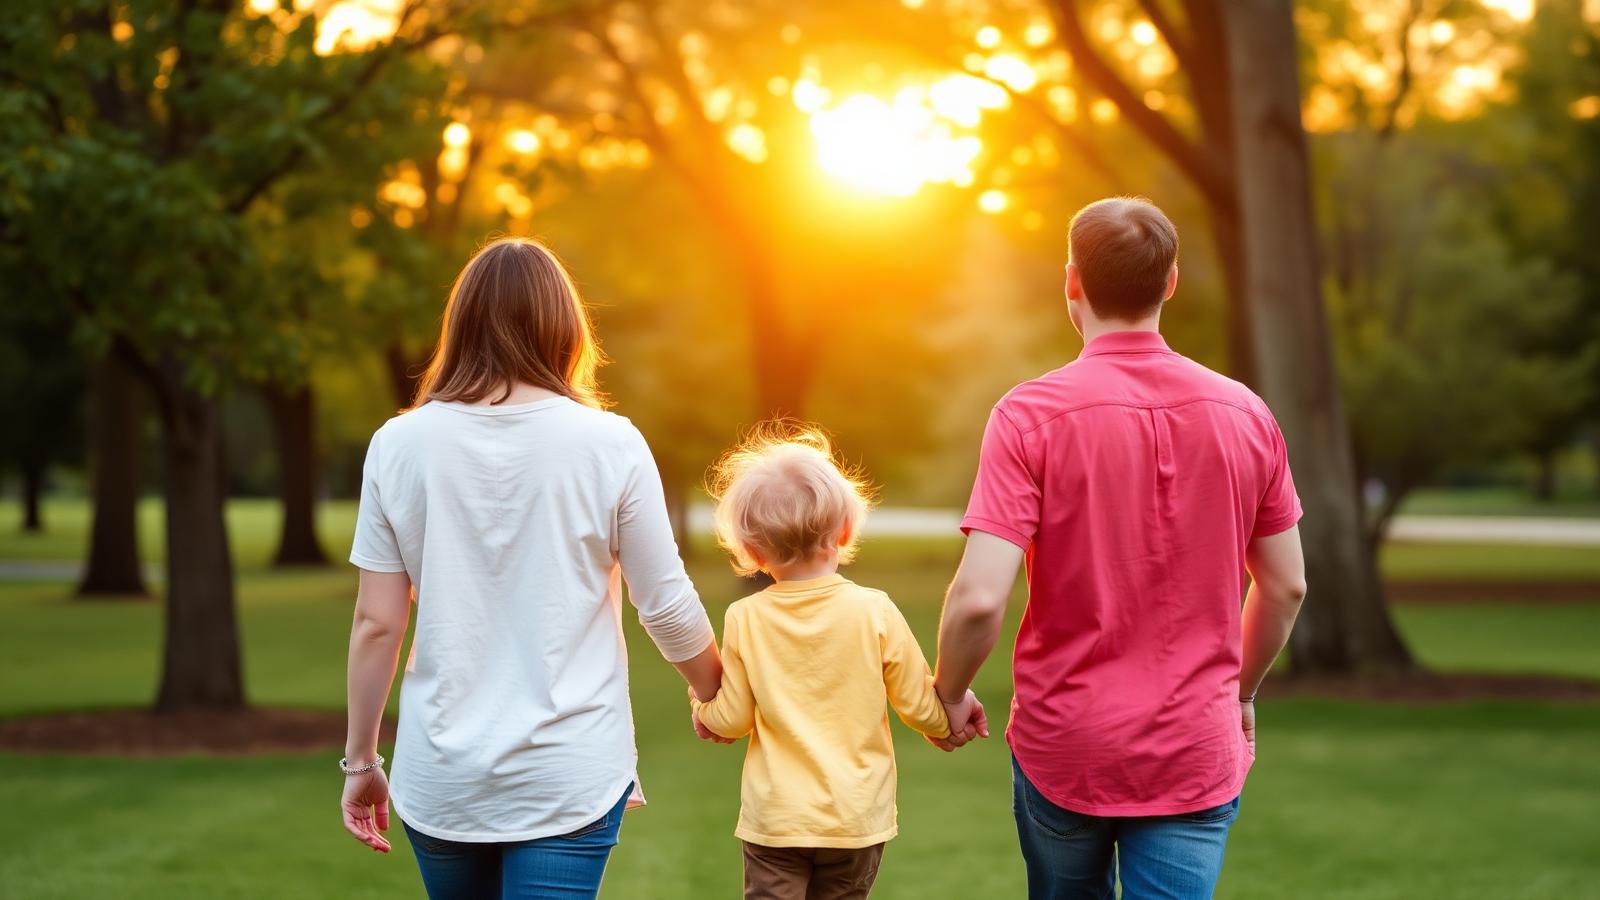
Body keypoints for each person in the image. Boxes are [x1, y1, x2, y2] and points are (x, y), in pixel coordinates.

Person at [932, 197, 1309, 899]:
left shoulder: (1028, 417)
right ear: (1171, 282)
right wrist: (1243, 692)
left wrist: (948, 693)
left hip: (1066, 742)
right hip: (1196, 742)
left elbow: (982, 597)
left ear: (1071, 281)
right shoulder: (1246, 414)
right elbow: (1285, 586)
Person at [339, 237, 723, 900]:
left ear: (459, 326)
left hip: (442, 774)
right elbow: (662, 603)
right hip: (568, 769)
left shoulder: (398, 445)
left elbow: (378, 621)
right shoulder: (611, 443)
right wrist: (718, 690)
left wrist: (361, 760)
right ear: (565, 327)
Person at [689, 424, 968, 900]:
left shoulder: (745, 617)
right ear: (843, 530)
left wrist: (701, 705)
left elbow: (731, 719)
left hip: (777, 820)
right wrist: (950, 721)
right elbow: (919, 704)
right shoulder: (874, 609)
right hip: (856, 817)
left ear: (751, 549)